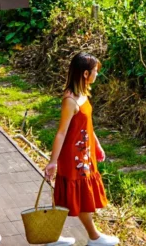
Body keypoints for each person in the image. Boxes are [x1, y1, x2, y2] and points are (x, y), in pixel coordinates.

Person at [43, 52, 118, 246]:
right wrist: (53, 162)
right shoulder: (70, 100)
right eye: (95, 71)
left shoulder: (83, 94)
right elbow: (61, 133)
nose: (97, 75)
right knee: (79, 195)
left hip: (84, 153)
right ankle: (94, 237)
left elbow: (87, 125)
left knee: (71, 195)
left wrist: (97, 145)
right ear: (85, 74)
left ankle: (53, 237)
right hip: (73, 157)